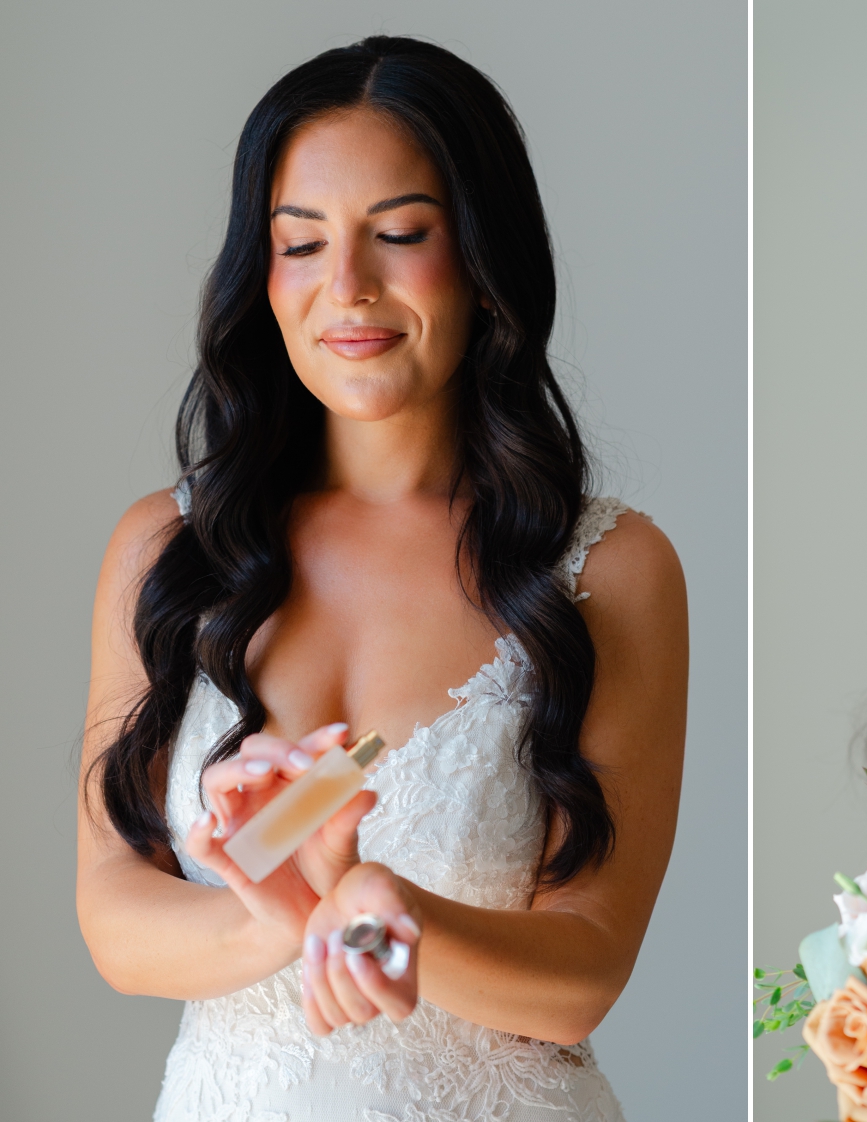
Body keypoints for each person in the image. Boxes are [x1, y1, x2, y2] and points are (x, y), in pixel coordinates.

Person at [76, 36, 688, 1121]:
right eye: (300, 244)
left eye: (401, 234)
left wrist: (385, 904)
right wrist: (279, 913)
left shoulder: (608, 568)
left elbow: (584, 976)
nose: (347, 288)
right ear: (259, 276)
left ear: (484, 262)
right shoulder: (164, 550)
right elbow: (116, 925)